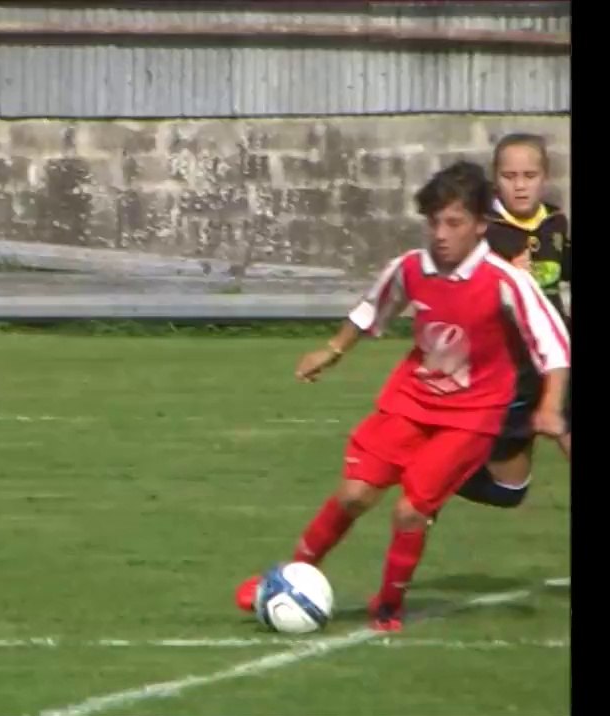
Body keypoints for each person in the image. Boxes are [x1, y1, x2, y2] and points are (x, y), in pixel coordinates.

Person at [233, 161, 570, 631]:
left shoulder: (505, 281)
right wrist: (331, 350)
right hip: (411, 401)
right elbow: (373, 309)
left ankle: (388, 605)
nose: (440, 234)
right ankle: (284, 578)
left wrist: (550, 406)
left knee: (411, 510)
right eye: (433, 222)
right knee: (352, 495)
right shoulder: (411, 268)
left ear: (480, 225)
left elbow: (553, 345)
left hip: (472, 415)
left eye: (453, 223)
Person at [453, 133, 572, 510]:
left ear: (545, 176)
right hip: (507, 372)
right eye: (510, 176)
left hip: (556, 362)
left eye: (529, 175)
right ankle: (427, 475)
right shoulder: (481, 231)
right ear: (495, 177)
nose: (520, 185)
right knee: (509, 493)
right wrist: (502, 277)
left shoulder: (556, 223)